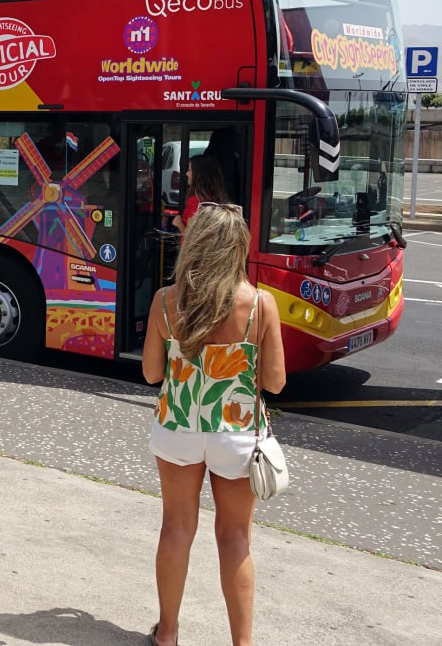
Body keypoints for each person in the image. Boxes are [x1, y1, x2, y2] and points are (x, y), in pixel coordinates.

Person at [142, 204, 286, 646]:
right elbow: (275, 382)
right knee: (235, 538)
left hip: (179, 425)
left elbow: (151, 373)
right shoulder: (260, 304)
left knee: (176, 528)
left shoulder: (166, 301)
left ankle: (168, 634)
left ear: (194, 244)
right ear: (239, 248)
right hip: (236, 433)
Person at [172, 155, 230, 233]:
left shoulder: (195, 201)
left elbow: (191, 236)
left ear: (199, 175)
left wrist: (178, 223)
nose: (186, 173)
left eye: (190, 170)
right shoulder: (219, 198)